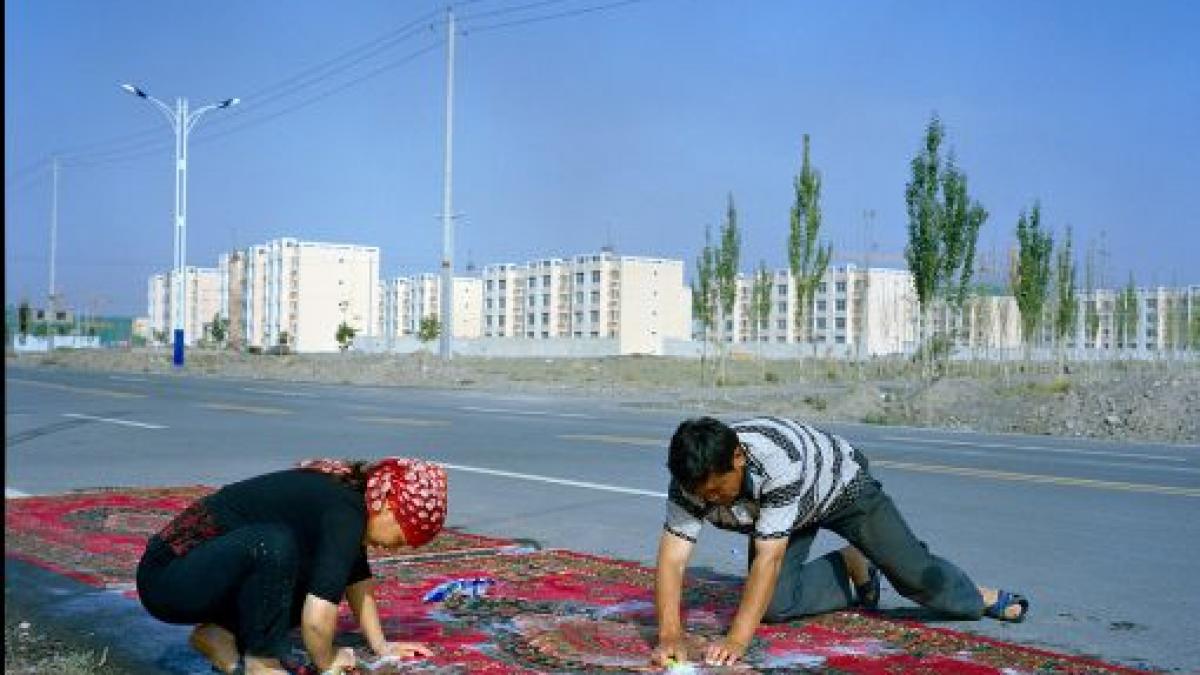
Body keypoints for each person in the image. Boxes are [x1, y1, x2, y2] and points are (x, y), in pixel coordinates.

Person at [651, 416, 1029, 668]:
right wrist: (670, 634)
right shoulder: (691, 481)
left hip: (842, 489)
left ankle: (977, 597)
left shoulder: (777, 461)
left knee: (915, 576)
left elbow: (769, 559)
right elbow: (673, 559)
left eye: (717, 491)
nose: (710, 500)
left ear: (738, 459)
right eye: (703, 494)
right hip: (784, 515)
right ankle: (850, 567)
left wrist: (736, 641)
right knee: (774, 606)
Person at [136, 457, 448, 675]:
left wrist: (382, 647)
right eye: (402, 538)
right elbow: (316, 620)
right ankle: (262, 663)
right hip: (168, 578)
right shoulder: (345, 511)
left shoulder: (349, 505)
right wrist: (327, 662)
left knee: (316, 566)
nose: (397, 548)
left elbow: (355, 576)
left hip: (201, 574)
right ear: (388, 505)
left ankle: (220, 635)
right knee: (277, 545)